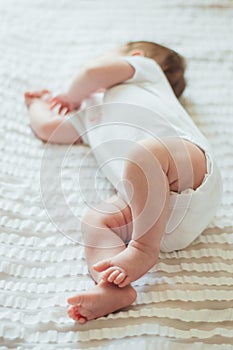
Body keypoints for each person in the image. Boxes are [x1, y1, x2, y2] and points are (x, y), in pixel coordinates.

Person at [24, 41, 222, 324]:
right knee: (96, 220)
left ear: (135, 57)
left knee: (144, 155)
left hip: (189, 170)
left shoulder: (145, 71)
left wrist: (70, 95)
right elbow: (49, 128)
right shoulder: (90, 114)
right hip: (154, 217)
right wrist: (37, 106)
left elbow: (94, 72)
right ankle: (111, 288)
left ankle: (142, 251)